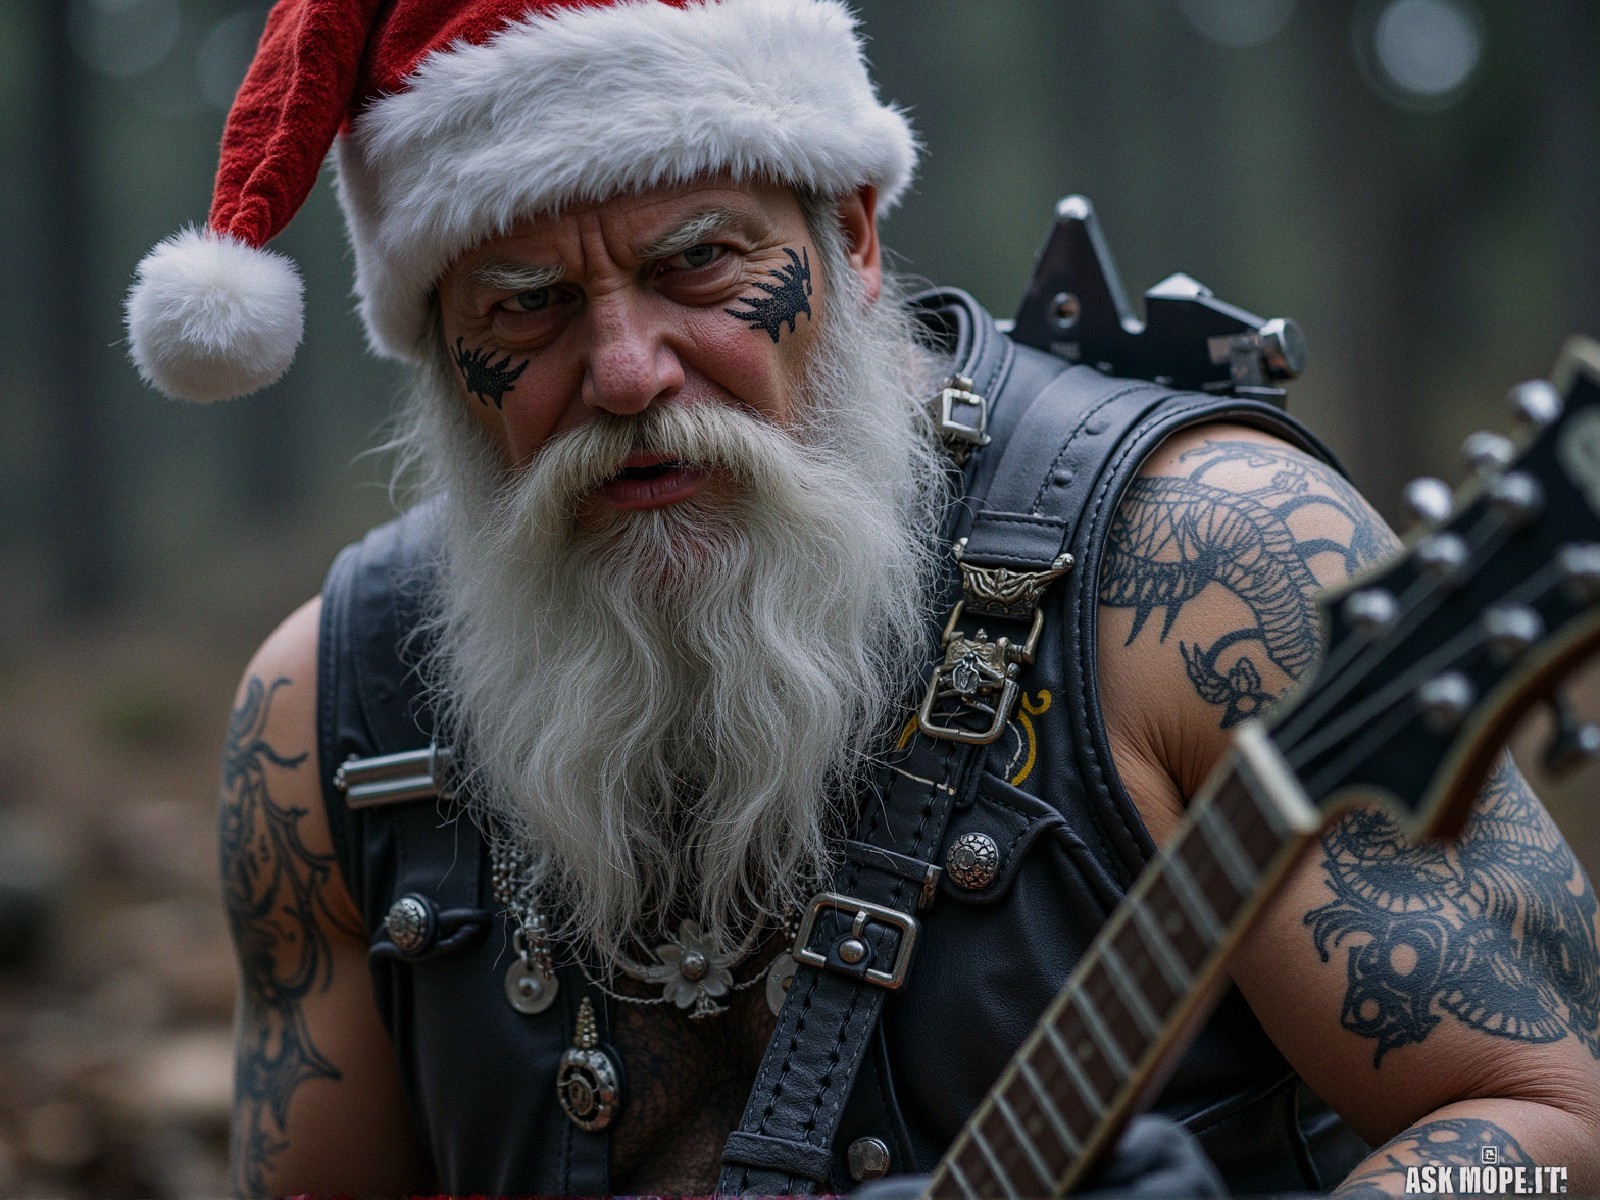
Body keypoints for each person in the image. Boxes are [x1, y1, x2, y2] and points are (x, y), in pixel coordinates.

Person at [124, 1, 1600, 1196]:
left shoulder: (1201, 566)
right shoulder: (335, 712)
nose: (629, 371)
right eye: (527, 303)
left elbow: (1548, 1129)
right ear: (442, 350)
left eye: (701, 260)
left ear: (853, 234)